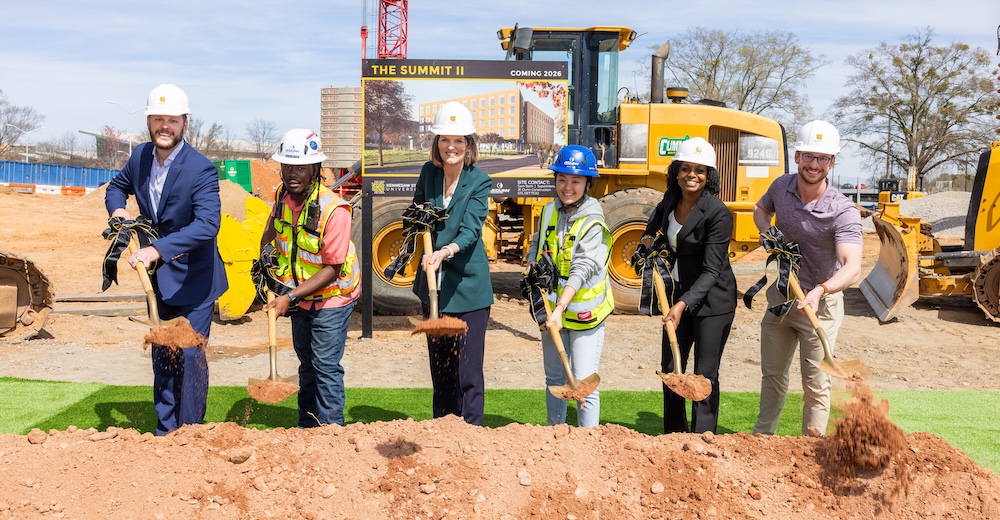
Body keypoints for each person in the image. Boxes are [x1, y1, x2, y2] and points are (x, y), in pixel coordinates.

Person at [104, 84, 228, 435]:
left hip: (195, 279)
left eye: (172, 120)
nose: (164, 126)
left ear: (184, 124)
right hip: (158, 279)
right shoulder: (140, 157)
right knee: (162, 354)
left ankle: (189, 432)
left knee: (189, 355)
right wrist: (119, 211)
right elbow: (117, 186)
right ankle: (165, 431)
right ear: (148, 121)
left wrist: (157, 249)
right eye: (158, 119)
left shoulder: (200, 170)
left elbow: (207, 225)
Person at [751, 120, 863, 436]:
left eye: (822, 158)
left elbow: (852, 266)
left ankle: (811, 449)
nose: (814, 164)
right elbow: (760, 210)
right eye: (809, 156)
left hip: (821, 305)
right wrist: (767, 232)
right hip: (782, 298)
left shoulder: (842, 210)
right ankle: (763, 441)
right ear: (798, 156)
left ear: (832, 162)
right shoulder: (780, 187)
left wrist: (821, 290)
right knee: (771, 375)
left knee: (816, 384)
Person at [259, 128, 360, 428]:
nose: (292, 174)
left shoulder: (335, 210)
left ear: (315, 169)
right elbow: (271, 229)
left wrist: (287, 297)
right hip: (298, 297)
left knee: (325, 365)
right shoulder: (281, 195)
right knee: (307, 365)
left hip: (333, 297)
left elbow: (332, 268)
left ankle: (331, 433)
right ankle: (307, 427)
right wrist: (264, 259)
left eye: (300, 167)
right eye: (287, 166)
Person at [636, 137, 736, 434]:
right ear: (676, 171)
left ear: (709, 176)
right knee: (670, 369)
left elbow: (711, 270)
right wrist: (647, 240)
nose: (692, 175)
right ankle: (673, 435)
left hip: (712, 303)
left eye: (700, 170)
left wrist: (681, 304)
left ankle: (703, 438)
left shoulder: (718, 213)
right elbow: (654, 221)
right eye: (686, 168)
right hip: (677, 295)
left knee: (704, 376)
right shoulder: (670, 198)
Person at [412, 101, 494, 426]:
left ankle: (470, 438)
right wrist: (420, 240)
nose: (452, 147)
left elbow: (471, 231)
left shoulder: (479, 181)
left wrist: (443, 252)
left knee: (467, 374)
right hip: (435, 291)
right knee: (441, 374)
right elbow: (417, 214)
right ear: (437, 143)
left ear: (469, 144)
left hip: (469, 289)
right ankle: (442, 433)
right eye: (445, 139)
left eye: (459, 140)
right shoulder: (428, 173)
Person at [526, 145, 614, 427]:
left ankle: (588, 443)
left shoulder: (593, 220)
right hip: (552, 313)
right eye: (562, 179)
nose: (567, 187)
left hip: (584, 313)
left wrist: (561, 307)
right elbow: (538, 242)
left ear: (588, 183)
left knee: (584, 382)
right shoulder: (549, 210)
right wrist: (531, 262)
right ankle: (556, 438)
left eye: (576, 180)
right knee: (554, 380)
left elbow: (583, 268)